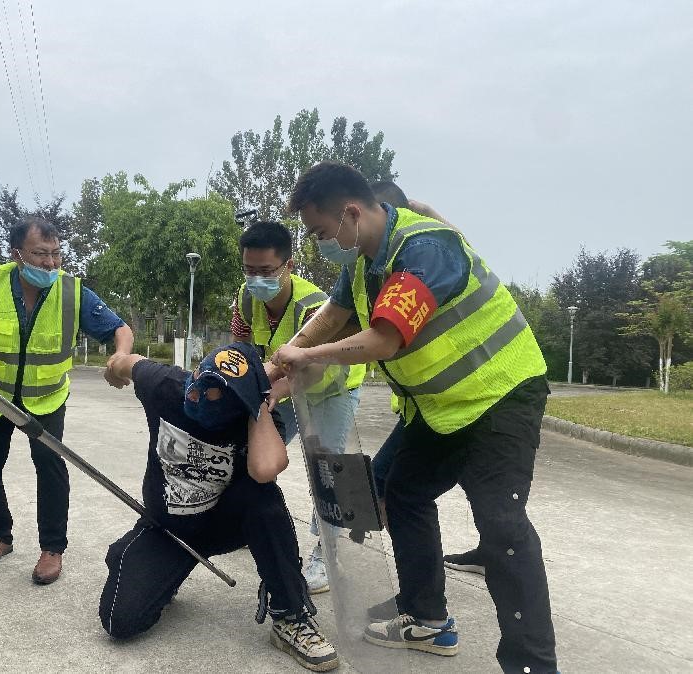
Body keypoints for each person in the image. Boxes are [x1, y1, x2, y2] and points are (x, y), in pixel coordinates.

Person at [270, 161, 558, 673]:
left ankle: (533, 663)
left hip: (501, 397)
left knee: (502, 527)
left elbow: (385, 339)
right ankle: (426, 617)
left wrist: (306, 358)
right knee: (400, 493)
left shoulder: (426, 249)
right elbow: (331, 317)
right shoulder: (363, 264)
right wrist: (273, 368)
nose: (319, 242)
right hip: (440, 408)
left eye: (319, 231)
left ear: (351, 213)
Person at [98, 342, 339, 672]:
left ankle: (290, 614)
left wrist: (259, 404)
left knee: (264, 497)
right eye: (199, 381)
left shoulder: (255, 418)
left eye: (213, 393)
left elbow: (265, 469)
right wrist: (114, 367)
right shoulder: (167, 385)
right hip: (168, 529)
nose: (196, 395)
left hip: (223, 524)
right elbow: (130, 362)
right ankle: (137, 557)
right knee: (120, 621)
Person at [0, 216, 133, 585]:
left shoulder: (72, 292)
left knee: (50, 466)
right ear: (16, 254)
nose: (50, 263)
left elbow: (120, 329)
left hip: (45, 398)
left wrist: (120, 358)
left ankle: (52, 549)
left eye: (56, 254)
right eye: (40, 254)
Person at [230, 220, 365, 594]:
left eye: (265, 271)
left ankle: (328, 555)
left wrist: (275, 389)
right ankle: (246, 526)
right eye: (249, 270)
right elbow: (242, 347)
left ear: (288, 265)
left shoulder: (315, 306)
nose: (256, 279)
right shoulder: (246, 298)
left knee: (331, 471)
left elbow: (317, 368)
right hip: (285, 384)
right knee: (251, 451)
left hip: (334, 387)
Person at [370, 182, 486, 577]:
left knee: (397, 488)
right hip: (425, 405)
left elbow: (461, 249)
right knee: (389, 485)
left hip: (467, 401)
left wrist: (426, 213)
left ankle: (427, 578)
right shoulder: (383, 265)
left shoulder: (427, 257)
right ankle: (421, 574)